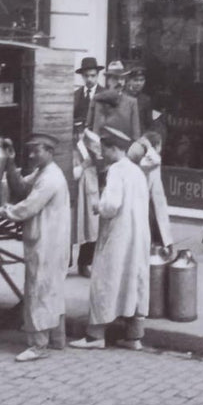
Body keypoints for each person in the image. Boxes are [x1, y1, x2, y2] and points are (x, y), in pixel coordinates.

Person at [0, 133, 70, 362]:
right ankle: (57, 339)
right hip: (49, 240)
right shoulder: (44, 173)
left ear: (49, 152)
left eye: (37, 151)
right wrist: (11, 162)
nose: (32, 155)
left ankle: (38, 345)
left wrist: (1, 211)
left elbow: (28, 206)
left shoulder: (51, 178)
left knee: (39, 289)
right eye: (30, 151)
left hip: (48, 241)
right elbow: (22, 187)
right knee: (51, 288)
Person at [70, 129, 151, 350]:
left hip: (118, 235)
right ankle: (134, 336)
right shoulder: (136, 171)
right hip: (138, 235)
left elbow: (111, 205)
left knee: (105, 280)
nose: (102, 153)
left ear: (114, 148)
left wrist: (98, 206)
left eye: (104, 149)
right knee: (133, 280)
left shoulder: (116, 171)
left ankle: (95, 335)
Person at [129, 130, 175, 249]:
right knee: (152, 226)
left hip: (154, 199)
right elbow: (156, 159)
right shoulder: (147, 160)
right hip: (148, 199)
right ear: (156, 145)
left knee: (157, 228)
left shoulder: (148, 158)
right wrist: (148, 146)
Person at [71, 126, 101, 277]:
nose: (78, 135)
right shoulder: (67, 149)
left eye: (80, 131)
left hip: (90, 189)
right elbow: (72, 173)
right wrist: (83, 166)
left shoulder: (91, 142)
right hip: (75, 192)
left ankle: (84, 263)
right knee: (70, 228)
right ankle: (66, 262)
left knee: (92, 228)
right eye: (75, 131)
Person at [87, 60, 141, 143]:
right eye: (115, 78)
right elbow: (95, 130)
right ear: (108, 81)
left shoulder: (132, 102)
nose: (119, 82)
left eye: (122, 78)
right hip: (104, 149)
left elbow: (136, 134)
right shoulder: (99, 101)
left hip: (124, 150)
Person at [73, 56, 102, 126]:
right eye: (86, 76)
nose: (89, 79)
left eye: (92, 76)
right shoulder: (75, 95)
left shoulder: (105, 94)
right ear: (82, 76)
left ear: (97, 75)